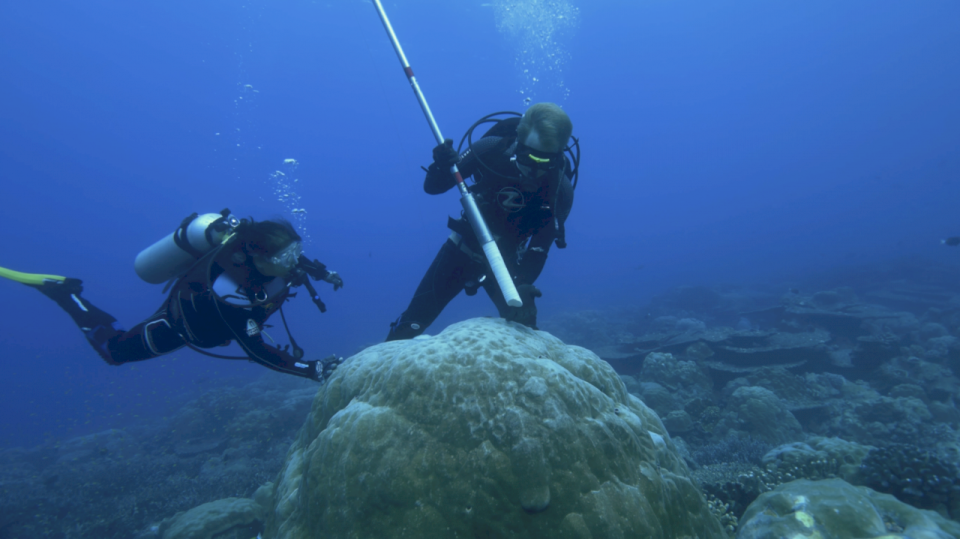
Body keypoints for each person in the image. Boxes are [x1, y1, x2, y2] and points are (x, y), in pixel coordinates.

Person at [0, 216, 345, 382]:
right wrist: (311, 368)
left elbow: (297, 260)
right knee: (114, 351)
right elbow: (257, 350)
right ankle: (64, 294)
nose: (292, 262)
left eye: (295, 253)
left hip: (220, 322)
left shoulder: (273, 255)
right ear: (255, 257)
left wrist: (324, 274)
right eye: (285, 258)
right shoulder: (228, 294)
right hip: (180, 327)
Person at [386, 102, 578, 340]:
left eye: (546, 163)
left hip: (506, 265)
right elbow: (434, 187)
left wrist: (523, 283)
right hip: (461, 249)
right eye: (529, 159)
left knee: (525, 335)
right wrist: (440, 166)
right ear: (518, 143)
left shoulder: (560, 190)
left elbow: (539, 248)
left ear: (559, 155)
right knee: (410, 327)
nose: (535, 172)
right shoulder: (491, 149)